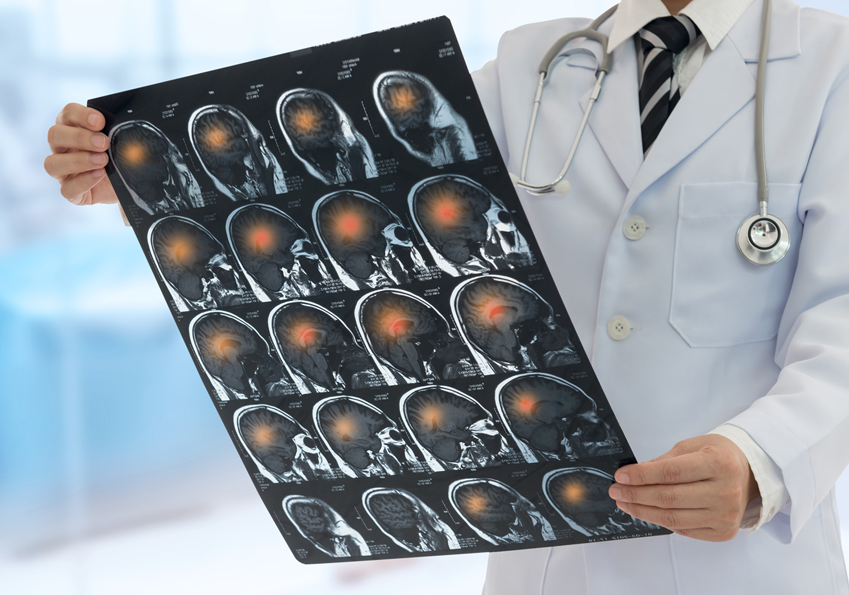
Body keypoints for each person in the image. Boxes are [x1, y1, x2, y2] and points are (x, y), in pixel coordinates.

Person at [43, 0, 849, 592]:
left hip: (745, 560)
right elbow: (352, 207)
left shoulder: (831, 66)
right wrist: (152, 176)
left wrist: (762, 460)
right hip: (550, 557)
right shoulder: (534, 67)